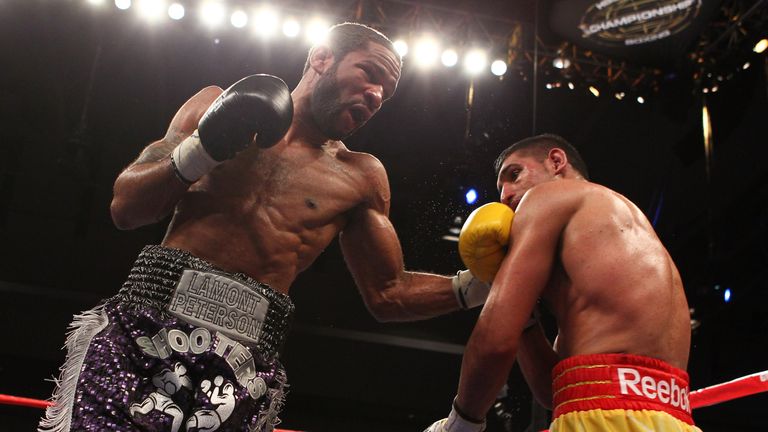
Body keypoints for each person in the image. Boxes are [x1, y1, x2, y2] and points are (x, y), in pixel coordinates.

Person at [39, 22, 491, 432]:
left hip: (241, 363)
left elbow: (389, 294)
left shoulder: (361, 176)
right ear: (321, 58)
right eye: (370, 73)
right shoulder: (213, 106)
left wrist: (484, 285)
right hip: (142, 330)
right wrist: (203, 149)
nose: (376, 95)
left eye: (386, 93)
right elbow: (126, 208)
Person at [425, 134, 701, 432]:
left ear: (556, 162)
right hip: (672, 419)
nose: (504, 195)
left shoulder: (548, 197)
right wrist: (526, 321)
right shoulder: (622, 230)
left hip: (605, 418)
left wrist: (461, 422)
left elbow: (494, 341)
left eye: (514, 174)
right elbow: (554, 393)